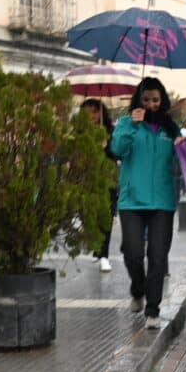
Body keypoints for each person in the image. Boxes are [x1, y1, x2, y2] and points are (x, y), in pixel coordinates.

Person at [110, 77, 181, 330]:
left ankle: (153, 308)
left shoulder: (170, 129)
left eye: (155, 100)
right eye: (146, 99)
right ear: (138, 100)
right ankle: (137, 289)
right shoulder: (126, 123)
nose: (151, 104)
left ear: (162, 101)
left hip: (162, 202)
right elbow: (117, 149)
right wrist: (132, 125)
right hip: (132, 201)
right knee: (133, 252)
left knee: (158, 256)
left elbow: (183, 159)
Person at [81, 99, 117, 273]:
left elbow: (117, 154)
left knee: (106, 217)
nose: (92, 116)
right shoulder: (80, 132)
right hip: (86, 180)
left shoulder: (111, 131)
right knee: (90, 216)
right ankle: (97, 248)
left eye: (95, 111)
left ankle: (104, 255)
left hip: (108, 180)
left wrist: (107, 146)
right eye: (88, 112)